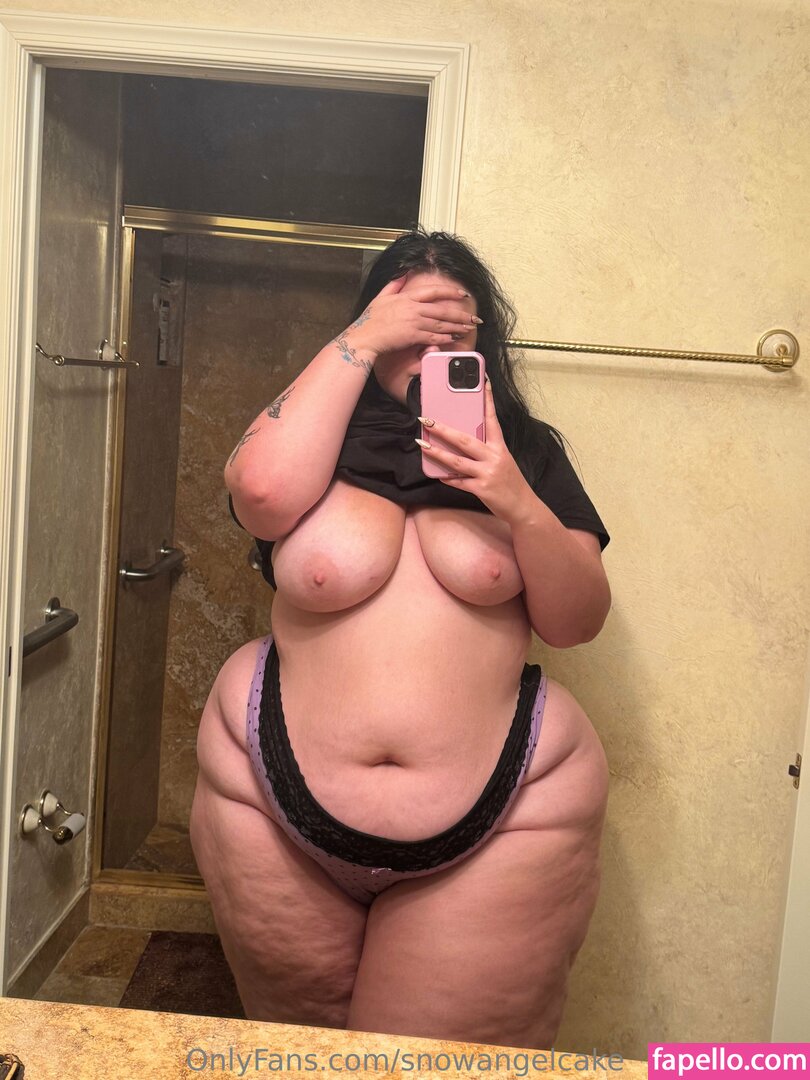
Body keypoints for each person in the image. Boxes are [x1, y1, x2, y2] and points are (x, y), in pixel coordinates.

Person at [189, 229, 611, 1050]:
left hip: (507, 817)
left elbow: (576, 622)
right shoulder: (316, 436)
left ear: (484, 343)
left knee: (429, 1068)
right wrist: (361, 338)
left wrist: (513, 498)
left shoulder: (523, 451)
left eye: (453, 332)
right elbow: (262, 495)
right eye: (411, 324)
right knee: (300, 1060)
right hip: (268, 800)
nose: (430, 348)